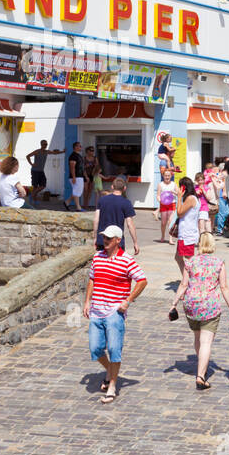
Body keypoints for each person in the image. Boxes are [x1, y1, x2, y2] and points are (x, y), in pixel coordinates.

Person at [82, 225, 147, 404]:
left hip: (114, 313)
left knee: (114, 350)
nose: (105, 241)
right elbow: (92, 279)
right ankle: (110, 369)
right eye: (104, 238)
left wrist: (128, 301)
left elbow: (142, 280)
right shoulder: (98, 257)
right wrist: (87, 301)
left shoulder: (126, 260)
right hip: (96, 311)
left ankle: (112, 386)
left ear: (118, 240)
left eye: (109, 239)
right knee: (95, 348)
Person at [169, 232, 229, 390]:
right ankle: (200, 375)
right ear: (212, 244)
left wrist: (174, 303)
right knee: (206, 342)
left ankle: (201, 365)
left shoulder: (191, 262)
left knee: (197, 337)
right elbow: (224, 287)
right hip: (209, 306)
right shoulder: (219, 263)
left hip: (191, 305)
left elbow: (183, 285)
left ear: (199, 244)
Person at [93, 175, 139, 255]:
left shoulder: (102, 200)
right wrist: (135, 242)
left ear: (112, 187)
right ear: (124, 188)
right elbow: (130, 224)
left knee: (102, 264)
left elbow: (96, 220)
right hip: (117, 240)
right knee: (116, 265)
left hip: (102, 239)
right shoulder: (126, 203)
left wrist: (95, 238)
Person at [173, 176, 201, 282]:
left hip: (187, 233)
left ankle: (191, 280)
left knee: (189, 260)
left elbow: (179, 213)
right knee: (178, 257)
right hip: (187, 232)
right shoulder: (194, 198)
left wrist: (179, 198)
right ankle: (188, 279)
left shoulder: (190, 198)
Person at [157, 169, 178, 243]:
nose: (167, 177)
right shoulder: (160, 184)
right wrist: (160, 200)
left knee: (170, 222)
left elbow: (179, 193)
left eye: (168, 175)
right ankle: (162, 236)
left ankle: (170, 238)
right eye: (165, 175)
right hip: (163, 205)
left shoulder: (174, 184)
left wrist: (174, 192)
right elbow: (158, 195)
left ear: (171, 176)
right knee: (163, 223)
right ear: (163, 176)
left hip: (172, 204)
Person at [64, 141, 85, 212]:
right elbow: (72, 167)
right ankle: (78, 207)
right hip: (76, 176)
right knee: (77, 191)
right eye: (79, 146)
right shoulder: (73, 156)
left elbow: (81, 167)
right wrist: (73, 177)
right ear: (75, 147)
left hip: (80, 176)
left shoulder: (78, 155)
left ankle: (67, 202)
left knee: (77, 191)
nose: (81, 147)